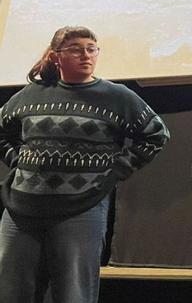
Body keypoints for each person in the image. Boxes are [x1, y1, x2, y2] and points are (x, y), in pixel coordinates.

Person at [0, 26, 170, 303]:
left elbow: (156, 134)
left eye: (92, 48)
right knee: (11, 291)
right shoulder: (32, 94)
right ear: (57, 57)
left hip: (80, 207)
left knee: (73, 293)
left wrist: (116, 171)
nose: (86, 55)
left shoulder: (116, 96)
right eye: (76, 49)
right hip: (22, 208)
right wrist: (16, 160)